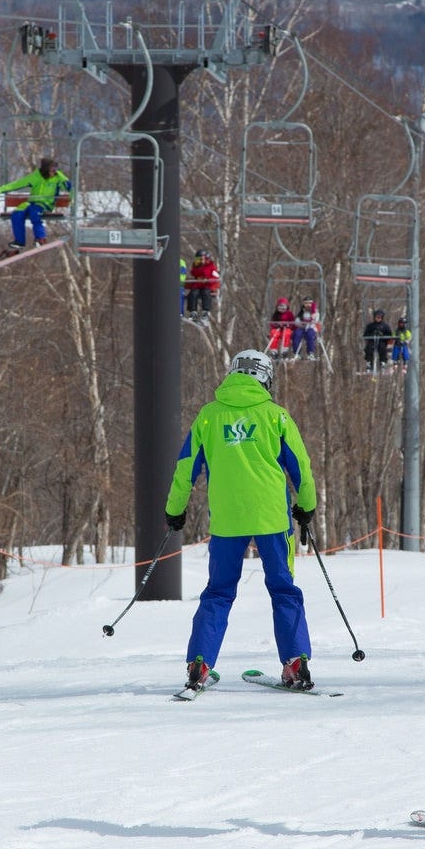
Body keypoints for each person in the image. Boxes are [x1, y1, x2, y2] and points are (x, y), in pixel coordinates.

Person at [167, 348, 317, 692]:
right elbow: (301, 467)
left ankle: (200, 664)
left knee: (218, 592)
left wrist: (175, 509)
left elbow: (185, 468)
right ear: (266, 377)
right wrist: (305, 506)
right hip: (272, 520)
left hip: (227, 522)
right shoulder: (276, 416)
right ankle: (295, 663)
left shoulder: (208, 416)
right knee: (283, 589)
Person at [0, 156, 71, 254]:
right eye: (52, 169)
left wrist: (61, 176)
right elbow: (16, 184)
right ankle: (20, 241)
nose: (54, 171)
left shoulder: (57, 178)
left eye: (56, 169)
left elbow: (69, 187)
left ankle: (40, 238)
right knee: (17, 213)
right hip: (32, 202)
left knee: (34, 213)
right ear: (45, 170)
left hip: (45, 204)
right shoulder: (35, 177)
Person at [184, 249, 221, 316]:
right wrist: (198, 267)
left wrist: (207, 279)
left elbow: (216, 277)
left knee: (206, 293)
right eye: (198, 259)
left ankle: (206, 311)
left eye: (201, 259)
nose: (200, 260)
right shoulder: (196, 266)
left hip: (206, 285)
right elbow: (193, 273)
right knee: (193, 293)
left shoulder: (211, 267)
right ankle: (193, 311)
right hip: (197, 285)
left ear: (206, 258)